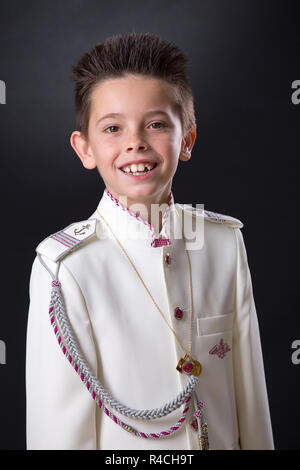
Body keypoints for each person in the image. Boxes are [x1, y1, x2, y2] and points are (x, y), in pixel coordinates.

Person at [26, 32, 274, 450]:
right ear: (84, 149)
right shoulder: (64, 267)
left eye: (156, 124)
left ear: (188, 139)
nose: (135, 142)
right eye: (112, 128)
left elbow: (250, 399)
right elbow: (59, 433)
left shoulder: (223, 243)